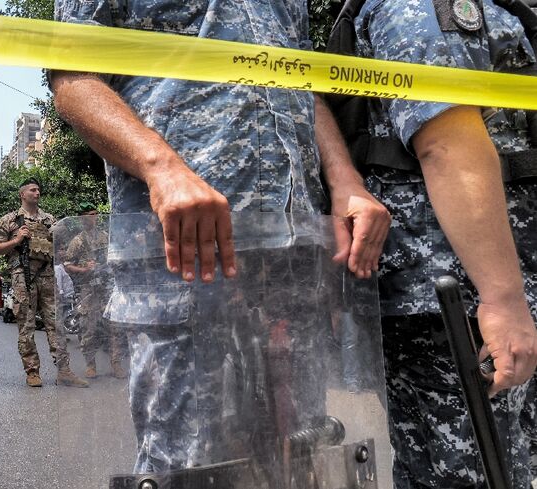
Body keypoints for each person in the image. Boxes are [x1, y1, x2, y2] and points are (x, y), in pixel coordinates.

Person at [50, 0, 391, 472]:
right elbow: (73, 79)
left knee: (297, 456)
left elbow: (302, 85)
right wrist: (162, 168)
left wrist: (345, 181)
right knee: (189, 465)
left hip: (292, 259)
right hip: (182, 255)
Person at [349, 1, 537, 486]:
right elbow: (446, 145)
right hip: (463, 306)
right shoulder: (428, 8)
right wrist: (503, 298)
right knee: (482, 474)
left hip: (467, 297)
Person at [0, 178, 89, 388]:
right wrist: (16, 241)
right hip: (22, 277)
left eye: (38, 190)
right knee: (26, 326)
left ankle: (64, 370)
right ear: (22, 194)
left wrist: (61, 252)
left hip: (47, 275)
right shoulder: (10, 220)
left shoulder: (50, 220)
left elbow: (57, 247)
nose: (37, 193)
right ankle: (32, 371)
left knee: (56, 324)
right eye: (32, 190)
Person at [64, 202, 127, 379]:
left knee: (114, 327)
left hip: (106, 287)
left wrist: (108, 265)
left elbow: (115, 257)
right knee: (88, 328)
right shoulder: (77, 241)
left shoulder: (105, 237)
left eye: (96, 213)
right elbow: (67, 265)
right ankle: (90, 365)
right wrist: (84, 269)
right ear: (82, 217)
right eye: (90, 214)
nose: (95, 217)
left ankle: (116, 363)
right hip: (88, 289)